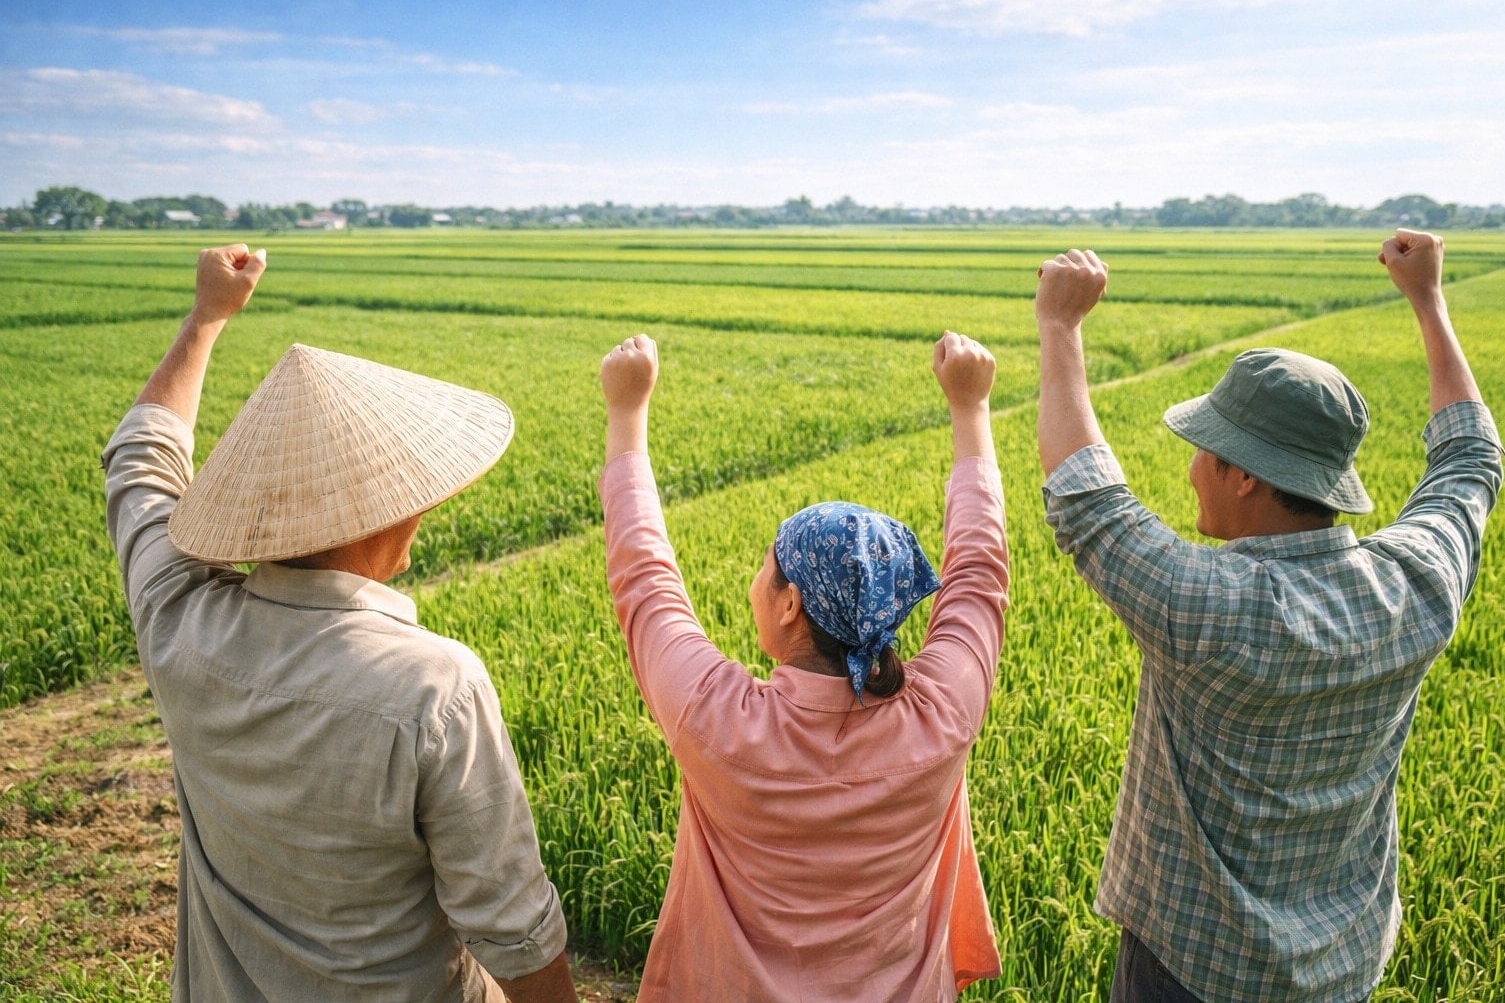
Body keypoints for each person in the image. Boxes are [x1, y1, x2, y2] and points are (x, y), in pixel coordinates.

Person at [1032, 230, 1504, 1003]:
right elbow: (1470, 461)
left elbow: (1089, 505)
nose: (1189, 468)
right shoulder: (1417, 583)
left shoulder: (1213, 606)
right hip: (1341, 967)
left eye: (1202, 449)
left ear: (1244, 477)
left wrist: (1058, 327)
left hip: (1190, 971)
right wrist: (1429, 300)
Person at [102, 244, 576, 1002]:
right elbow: (512, 927)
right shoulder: (434, 686)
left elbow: (140, 462)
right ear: (378, 517)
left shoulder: (180, 622)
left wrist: (206, 318)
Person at [599, 330, 1008, 1001]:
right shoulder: (941, 714)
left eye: (766, 564)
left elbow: (644, 578)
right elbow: (978, 571)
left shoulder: (717, 718)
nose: (756, 578)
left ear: (790, 605)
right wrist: (972, 410)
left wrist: (626, 411)